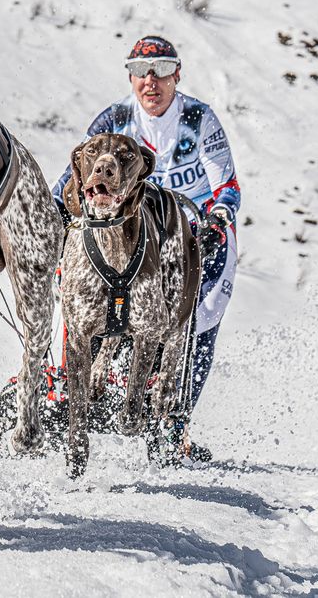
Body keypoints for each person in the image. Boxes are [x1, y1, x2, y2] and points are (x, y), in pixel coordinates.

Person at [49, 34, 241, 464]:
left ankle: (176, 421)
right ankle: (69, 387)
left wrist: (217, 222)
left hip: (187, 228)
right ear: (130, 78)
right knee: (79, 290)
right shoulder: (115, 118)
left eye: (161, 70)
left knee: (201, 315)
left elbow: (226, 185)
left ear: (177, 74)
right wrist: (55, 210)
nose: (150, 81)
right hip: (129, 227)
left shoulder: (199, 118)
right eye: (139, 72)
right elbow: (73, 177)